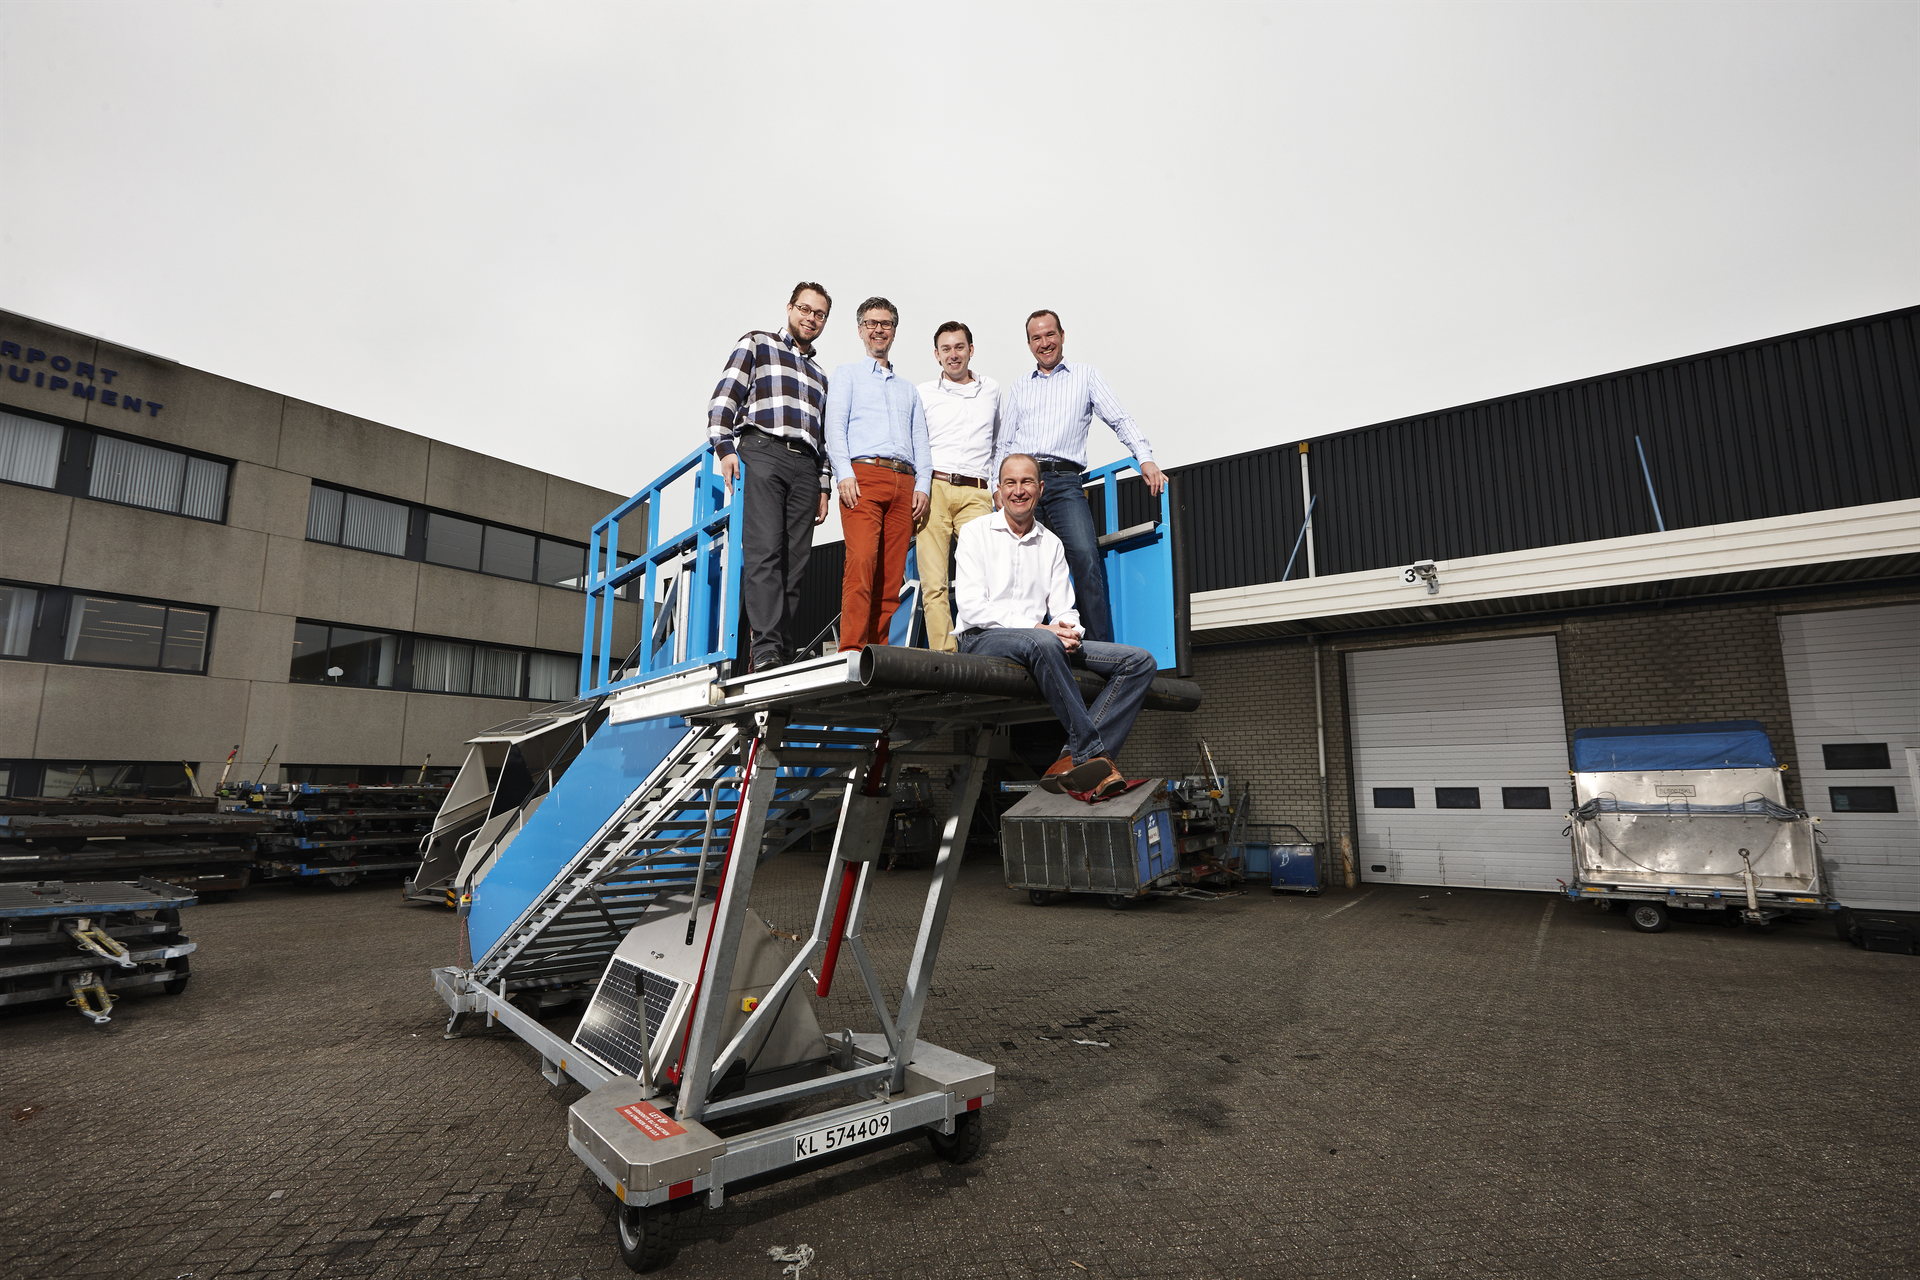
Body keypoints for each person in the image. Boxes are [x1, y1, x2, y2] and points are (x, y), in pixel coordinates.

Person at [952, 453, 1158, 799]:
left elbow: (1066, 609)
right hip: (982, 639)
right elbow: (973, 608)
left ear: (1041, 488)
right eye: (1011, 483)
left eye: (1027, 482)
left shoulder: (1051, 542)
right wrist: (1041, 629)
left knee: (1139, 661)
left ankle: (1069, 756)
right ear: (998, 491)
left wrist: (1069, 632)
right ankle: (1096, 755)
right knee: (1042, 643)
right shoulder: (975, 533)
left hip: (1041, 643)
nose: (1019, 491)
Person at [991, 310, 1166, 645]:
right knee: (1024, 567)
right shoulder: (1019, 387)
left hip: (1064, 482)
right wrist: (997, 489)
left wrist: (1145, 459)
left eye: (1050, 335)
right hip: (1023, 484)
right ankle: (1030, 644)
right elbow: (1004, 444)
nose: (1045, 343)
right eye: (1036, 338)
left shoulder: (1085, 376)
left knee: (1085, 557)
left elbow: (1119, 418)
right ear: (1029, 344)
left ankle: (1102, 648)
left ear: (1062, 335)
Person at [708, 283, 834, 672]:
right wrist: (724, 448)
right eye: (804, 309)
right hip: (763, 452)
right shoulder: (757, 343)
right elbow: (724, 399)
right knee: (764, 553)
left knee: (795, 563)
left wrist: (824, 485)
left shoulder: (820, 375)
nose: (810, 318)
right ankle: (764, 648)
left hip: (806, 467)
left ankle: (782, 647)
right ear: (789, 308)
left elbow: (824, 434)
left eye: (819, 314)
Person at [825, 297, 931, 652]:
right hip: (863, 476)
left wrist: (924, 485)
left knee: (891, 574)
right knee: (862, 563)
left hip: (905, 482)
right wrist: (843, 473)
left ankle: (878, 648)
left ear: (894, 331)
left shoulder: (908, 389)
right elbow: (834, 427)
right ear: (860, 330)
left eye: (885, 323)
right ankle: (852, 649)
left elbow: (922, 443)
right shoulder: (847, 375)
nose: (878, 329)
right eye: (871, 323)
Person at [914, 321, 999, 652]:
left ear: (971, 350)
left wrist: (996, 488)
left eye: (959, 347)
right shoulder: (923, 393)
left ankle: (985, 647)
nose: (953, 354)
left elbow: (998, 444)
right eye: (946, 349)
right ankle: (945, 656)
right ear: (937, 355)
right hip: (935, 489)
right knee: (933, 582)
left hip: (977, 492)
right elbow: (916, 444)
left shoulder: (992, 390)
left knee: (983, 572)